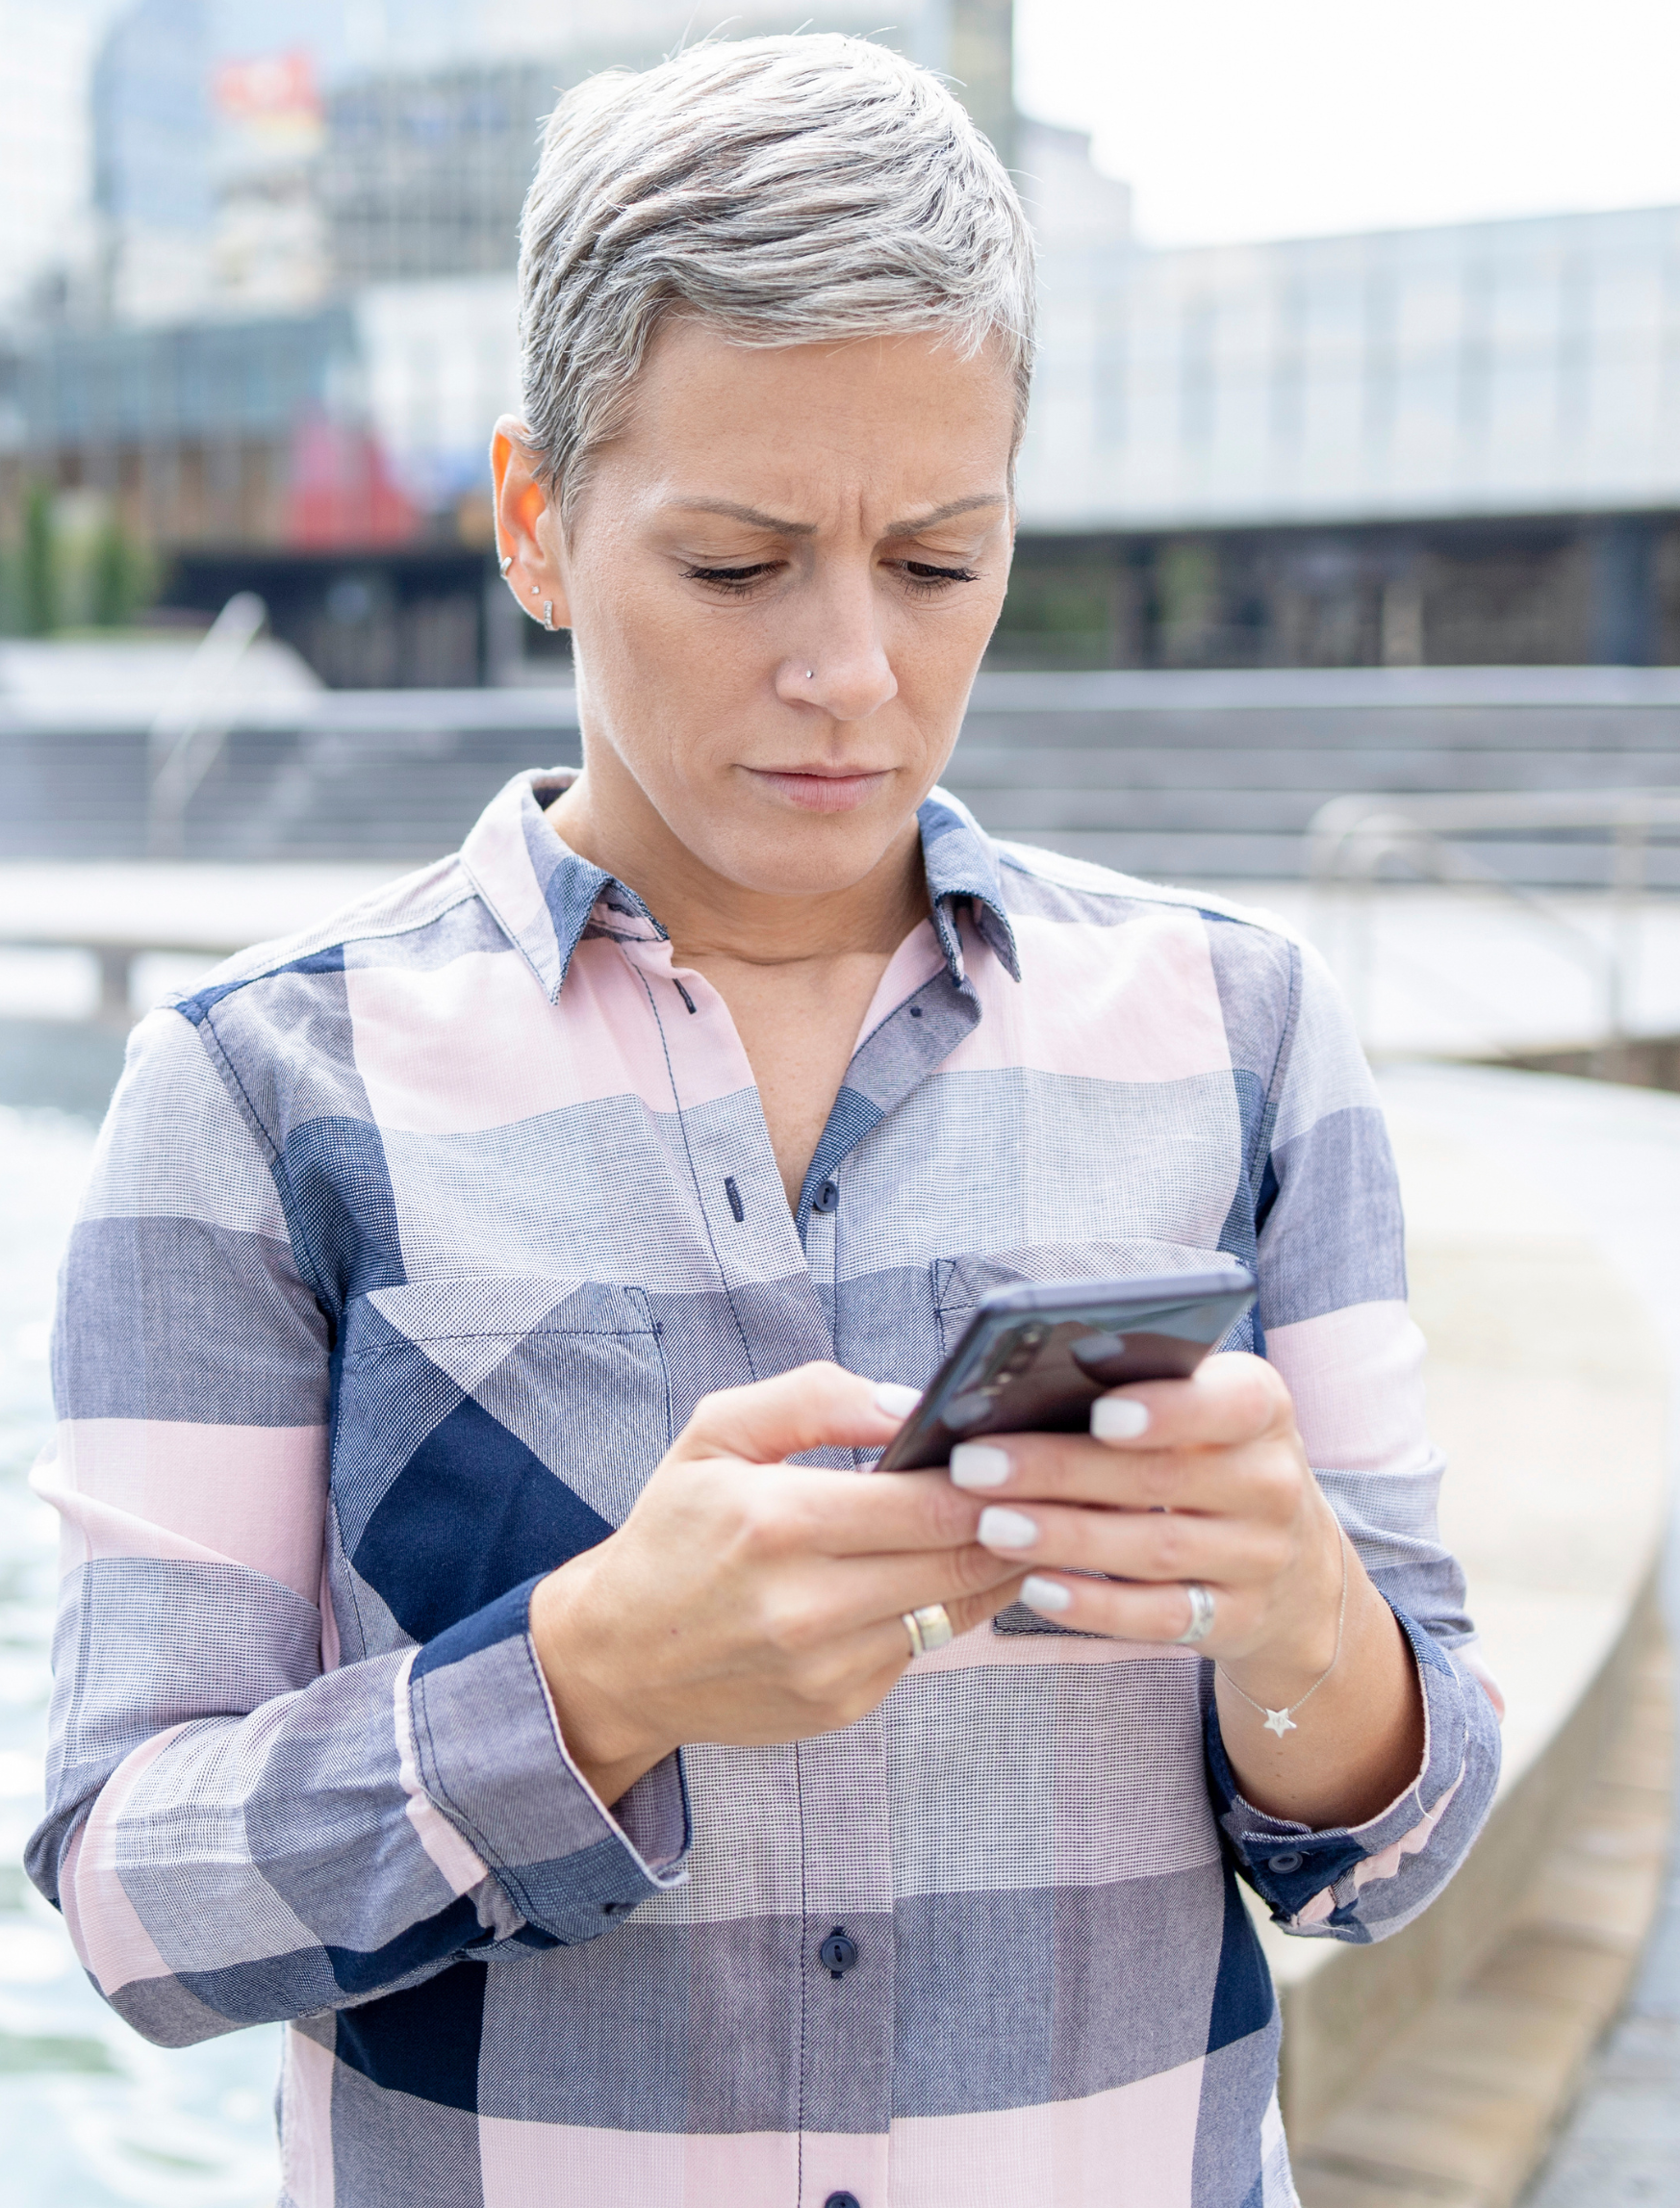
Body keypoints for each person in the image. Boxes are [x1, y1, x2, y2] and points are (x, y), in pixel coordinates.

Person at [28, 34, 1500, 2208]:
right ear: (536, 521)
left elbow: (1407, 1835)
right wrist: (596, 1677)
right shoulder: (257, 1095)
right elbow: (124, 1900)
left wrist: (1297, 1616)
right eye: (737, 565)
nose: (850, 671)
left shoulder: (1242, 1031)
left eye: (935, 561)